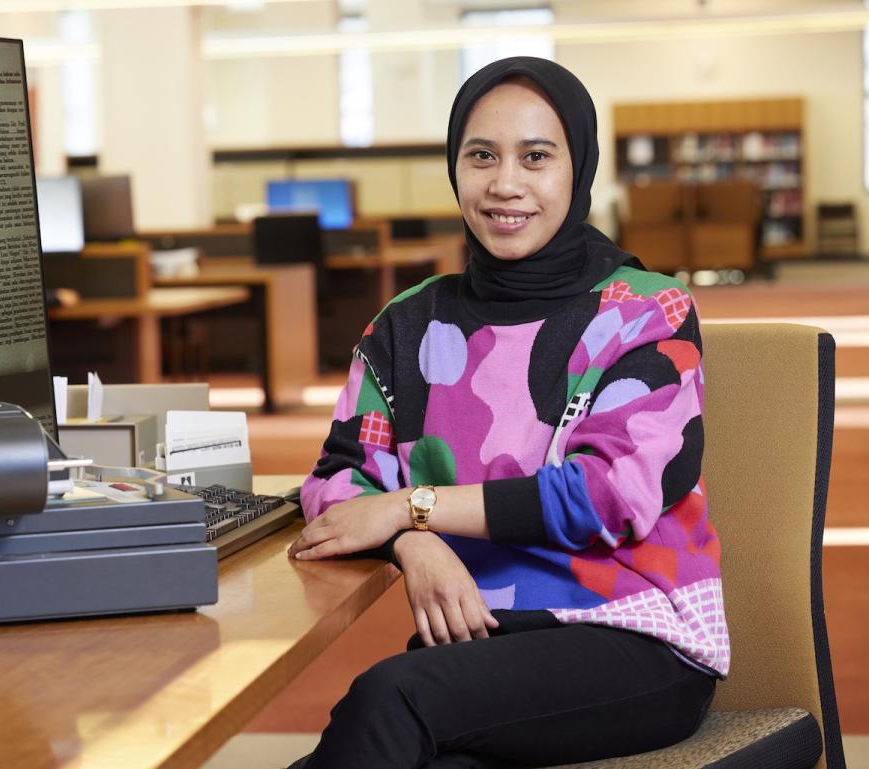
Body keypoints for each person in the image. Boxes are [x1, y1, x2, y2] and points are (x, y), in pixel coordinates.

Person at [287, 56, 730, 769]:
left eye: (536, 157)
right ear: (454, 167)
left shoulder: (646, 311)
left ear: (577, 169)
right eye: (482, 155)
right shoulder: (407, 325)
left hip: (633, 635)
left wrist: (413, 506)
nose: (505, 183)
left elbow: (607, 495)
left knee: (390, 701)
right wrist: (412, 540)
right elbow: (336, 483)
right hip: (483, 646)